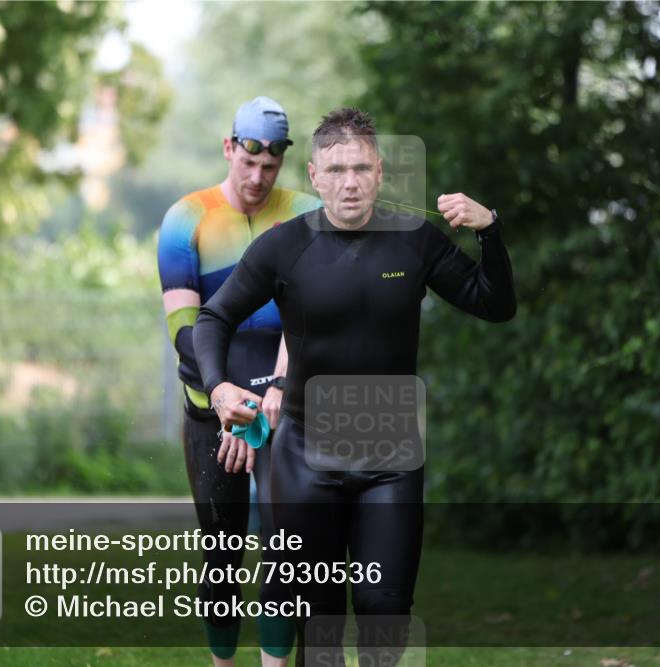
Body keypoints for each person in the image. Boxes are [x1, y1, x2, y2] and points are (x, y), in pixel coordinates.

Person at [194, 107, 516, 666]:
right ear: (315, 176)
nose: (350, 182)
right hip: (303, 459)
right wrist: (221, 390)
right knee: (318, 622)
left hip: (389, 455)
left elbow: (495, 304)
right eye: (337, 169)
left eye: (362, 168)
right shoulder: (284, 246)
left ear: (380, 172)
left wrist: (490, 230)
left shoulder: (413, 240)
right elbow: (212, 320)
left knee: (384, 606)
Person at [157, 96, 320, 667]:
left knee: (286, 551)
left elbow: (307, 316)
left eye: (270, 167)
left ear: (283, 162)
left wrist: (275, 383)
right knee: (222, 556)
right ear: (229, 148)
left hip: (284, 402)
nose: (257, 178)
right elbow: (185, 328)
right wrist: (225, 396)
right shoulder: (186, 217)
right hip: (212, 406)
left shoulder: (305, 211)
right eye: (247, 162)